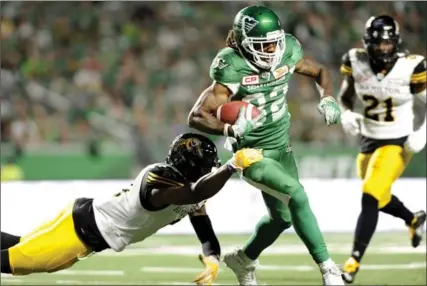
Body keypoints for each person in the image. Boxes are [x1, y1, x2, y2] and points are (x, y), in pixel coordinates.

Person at [188, 5, 344, 286]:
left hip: (282, 146)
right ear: (244, 43)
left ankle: (243, 259)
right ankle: (328, 267)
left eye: (275, 42)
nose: (271, 50)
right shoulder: (231, 64)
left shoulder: (288, 52)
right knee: (297, 195)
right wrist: (229, 128)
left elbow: (320, 71)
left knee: (282, 219)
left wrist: (328, 97)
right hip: (251, 154)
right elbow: (197, 115)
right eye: (263, 45)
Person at [0, 133, 263, 286]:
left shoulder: (188, 189)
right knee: (16, 263)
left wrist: (213, 260)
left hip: (86, 222)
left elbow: (205, 231)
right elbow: (195, 193)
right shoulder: (161, 179)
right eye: (209, 165)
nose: (211, 169)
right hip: (82, 229)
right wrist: (231, 168)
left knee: (21, 246)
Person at [338, 15, 426, 284]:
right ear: (368, 43)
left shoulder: (411, 66)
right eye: (378, 44)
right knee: (379, 197)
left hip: (397, 142)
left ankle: (353, 261)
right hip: (367, 139)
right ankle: (413, 219)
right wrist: (345, 114)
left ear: (396, 43)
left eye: (388, 43)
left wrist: (422, 132)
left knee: (369, 196)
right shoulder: (354, 60)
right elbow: (345, 96)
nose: (383, 48)